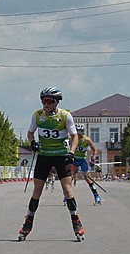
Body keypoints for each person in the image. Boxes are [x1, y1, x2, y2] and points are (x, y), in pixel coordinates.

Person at [19, 87, 84, 242]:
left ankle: (76, 222)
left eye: (49, 101)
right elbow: (30, 132)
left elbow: (74, 136)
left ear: (56, 102)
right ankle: (28, 222)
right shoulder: (38, 115)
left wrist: (71, 153)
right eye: (43, 100)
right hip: (44, 156)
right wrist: (32, 142)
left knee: (67, 189)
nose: (45, 104)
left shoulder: (65, 116)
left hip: (61, 156)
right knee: (37, 190)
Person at [72, 124, 103, 204]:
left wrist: (93, 159)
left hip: (82, 160)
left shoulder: (86, 140)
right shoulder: (71, 138)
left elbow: (94, 149)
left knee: (87, 177)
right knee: (70, 177)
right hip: (74, 160)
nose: (79, 134)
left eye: (81, 132)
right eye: (77, 131)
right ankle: (67, 196)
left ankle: (96, 195)